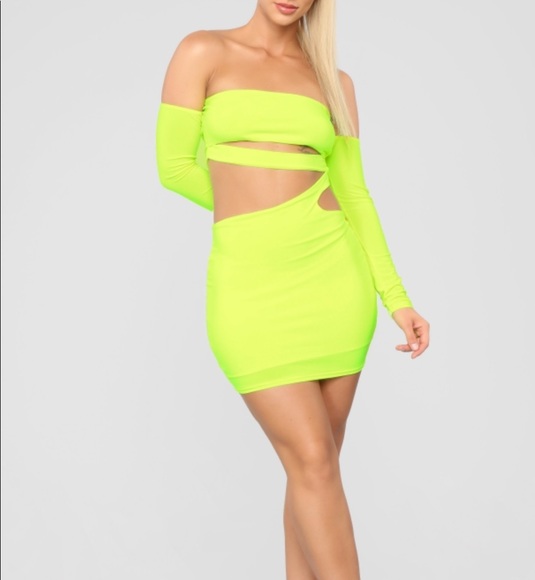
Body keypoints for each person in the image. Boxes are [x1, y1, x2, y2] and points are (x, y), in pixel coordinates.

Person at [155, 1, 430, 577]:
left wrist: (397, 299)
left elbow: (354, 195)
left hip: (334, 280)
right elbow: (174, 167)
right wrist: (263, 212)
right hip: (251, 283)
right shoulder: (203, 51)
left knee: (314, 467)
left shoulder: (333, 82)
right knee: (312, 461)